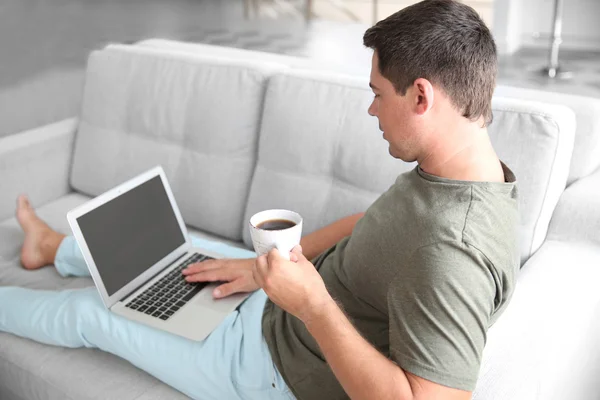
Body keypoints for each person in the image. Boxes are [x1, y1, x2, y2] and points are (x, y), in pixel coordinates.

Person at [0, 0, 519, 399]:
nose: (371, 110)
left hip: (268, 366)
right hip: (277, 302)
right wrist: (262, 269)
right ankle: (50, 248)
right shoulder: (458, 176)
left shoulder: (452, 251)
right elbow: (372, 224)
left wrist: (312, 305)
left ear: (422, 97)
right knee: (164, 253)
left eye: (379, 93)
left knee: (87, 316)